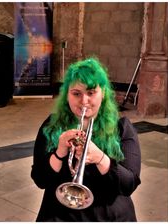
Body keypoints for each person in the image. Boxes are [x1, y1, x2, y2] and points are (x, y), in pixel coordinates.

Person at [31, 57, 141, 221]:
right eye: (76, 93)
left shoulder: (122, 128)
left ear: (102, 93)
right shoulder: (51, 126)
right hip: (60, 215)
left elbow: (129, 184)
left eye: (91, 93)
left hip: (109, 216)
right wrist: (60, 152)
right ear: (67, 95)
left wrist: (100, 157)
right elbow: (40, 180)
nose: (84, 101)